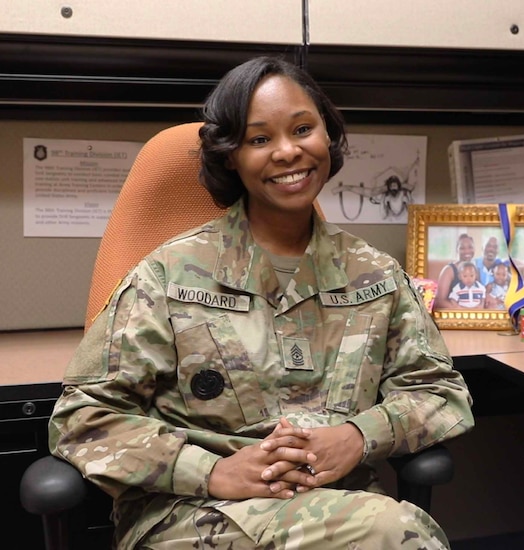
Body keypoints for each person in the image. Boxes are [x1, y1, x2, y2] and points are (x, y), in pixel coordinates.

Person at [48, 56, 474, 550]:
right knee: (399, 535)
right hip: (193, 515)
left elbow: (439, 392)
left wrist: (359, 436)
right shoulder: (168, 274)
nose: (288, 152)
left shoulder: (375, 276)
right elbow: (83, 420)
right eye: (259, 139)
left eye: (302, 128)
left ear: (327, 136)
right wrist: (212, 470)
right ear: (231, 155)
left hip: (341, 505)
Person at [434, 233, 474, 309]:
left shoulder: (474, 269)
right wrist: (461, 310)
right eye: (462, 248)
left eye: (470, 247)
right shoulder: (449, 270)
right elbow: (440, 301)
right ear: (457, 250)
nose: (467, 251)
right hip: (454, 314)